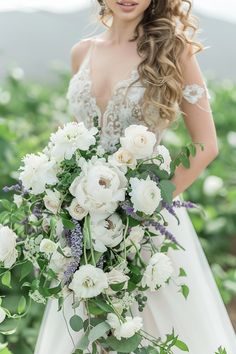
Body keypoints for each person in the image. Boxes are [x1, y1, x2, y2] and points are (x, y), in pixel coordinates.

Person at [34, 1, 236, 353]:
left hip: (146, 224)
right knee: (89, 331)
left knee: (149, 334)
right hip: (84, 225)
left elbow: (206, 145)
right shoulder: (80, 52)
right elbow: (79, 136)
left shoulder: (174, 51)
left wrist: (145, 208)